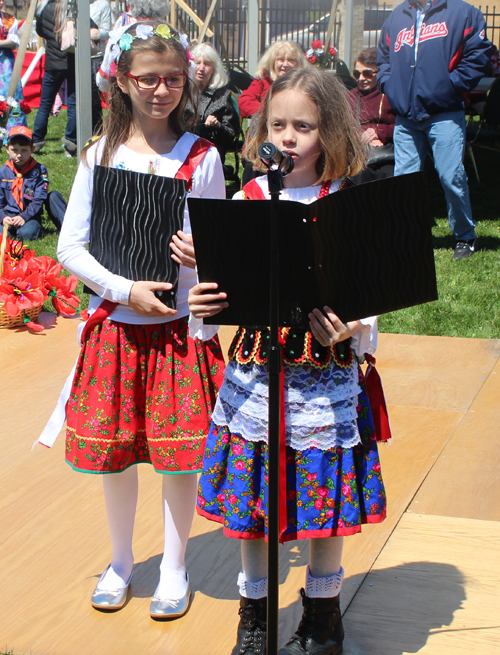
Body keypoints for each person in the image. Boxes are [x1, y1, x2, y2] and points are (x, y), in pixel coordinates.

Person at [189, 68, 387, 655]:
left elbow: (369, 294)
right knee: (254, 503)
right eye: (279, 124)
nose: (291, 137)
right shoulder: (245, 198)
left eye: (305, 125)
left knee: (322, 500)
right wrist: (204, 299)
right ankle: (255, 620)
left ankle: (323, 616)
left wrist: (350, 325)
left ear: (329, 133)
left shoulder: (345, 201)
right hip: (256, 376)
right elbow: (218, 286)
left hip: (324, 379)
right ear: (262, 130)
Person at [52, 20, 225, 619]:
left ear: (188, 81)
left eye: (173, 79)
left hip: (179, 334)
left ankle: (175, 567)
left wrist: (205, 253)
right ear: (123, 81)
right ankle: (122, 561)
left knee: (181, 458)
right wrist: (125, 288)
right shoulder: (99, 154)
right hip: (117, 331)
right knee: (116, 455)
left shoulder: (202, 157)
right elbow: (69, 248)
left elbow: (223, 242)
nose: (161, 90)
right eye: (148, 79)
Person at [377, 0, 492, 260]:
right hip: (406, 116)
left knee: (451, 176)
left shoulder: (464, 12)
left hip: (445, 113)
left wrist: (450, 86)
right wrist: (388, 84)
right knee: (404, 180)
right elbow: (383, 56)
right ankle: (409, 234)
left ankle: (465, 236)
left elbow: (478, 55)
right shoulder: (397, 15)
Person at [239, 40, 310, 186]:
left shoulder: (305, 85)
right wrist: (271, 113)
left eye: (291, 60)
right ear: (272, 62)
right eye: (280, 59)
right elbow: (244, 103)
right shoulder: (262, 81)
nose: (285, 64)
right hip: (261, 141)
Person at [0, 126, 66, 240]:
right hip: (8, 214)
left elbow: (39, 199)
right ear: (7, 149)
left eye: (24, 150)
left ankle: (33, 229)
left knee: (27, 234)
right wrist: (3, 217)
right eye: (14, 150)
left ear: (32, 149)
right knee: (2, 236)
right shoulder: (3, 172)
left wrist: (23, 217)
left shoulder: (40, 171)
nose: (19, 155)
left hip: (29, 214)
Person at [348, 47, 395, 184]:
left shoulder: (391, 96)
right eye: (357, 74)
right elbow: (339, 127)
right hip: (357, 153)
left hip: (386, 153)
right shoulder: (349, 97)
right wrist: (364, 136)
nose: (361, 78)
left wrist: (379, 132)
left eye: (367, 73)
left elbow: (403, 126)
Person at [189, 43, 240, 164]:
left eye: (207, 64)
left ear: (213, 69)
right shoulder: (182, 91)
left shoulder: (223, 95)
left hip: (211, 151)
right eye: (198, 62)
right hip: (185, 148)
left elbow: (231, 134)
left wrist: (217, 125)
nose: (201, 68)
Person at [0, 0, 28, 128]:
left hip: (5, 64)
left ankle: (11, 133)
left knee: (10, 96)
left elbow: (12, 41)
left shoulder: (10, 20)